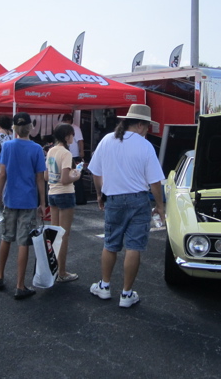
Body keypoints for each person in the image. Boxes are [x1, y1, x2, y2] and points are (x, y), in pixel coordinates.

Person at [87, 104, 165, 308]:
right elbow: (155, 181)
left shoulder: (107, 140)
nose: (147, 131)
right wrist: (160, 205)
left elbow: (95, 172)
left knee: (110, 244)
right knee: (134, 246)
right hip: (139, 200)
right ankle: (126, 294)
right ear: (140, 125)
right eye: (147, 127)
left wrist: (99, 194)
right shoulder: (145, 146)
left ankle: (104, 286)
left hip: (114, 199)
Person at [0, 112, 46, 299]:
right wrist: (43, 203)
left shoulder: (7, 146)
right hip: (28, 200)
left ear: (14, 128)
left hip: (10, 199)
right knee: (24, 242)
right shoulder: (36, 148)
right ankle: (20, 285)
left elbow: (2, 174)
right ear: (30, 127)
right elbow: (40, 178)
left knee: (6, 237)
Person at [45, 124, 81, 282]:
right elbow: (66, 179)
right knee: (64, 235)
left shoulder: (51, 150)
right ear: (67, 136)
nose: (73, 138)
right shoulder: (66, 153)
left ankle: (52, 269)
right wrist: (77, 175)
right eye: (72, 135)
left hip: (52, 193)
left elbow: (47, 176)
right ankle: (62, 272)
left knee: (54, 234)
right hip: (65, 194)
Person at [61, 113, 86, 204]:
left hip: (74, 155)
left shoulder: (75, 128)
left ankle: (80, 199)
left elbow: (80, 141)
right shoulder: (64, 128)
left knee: (76, 177)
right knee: (70, 176)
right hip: (68, 154)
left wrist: (81, 152)